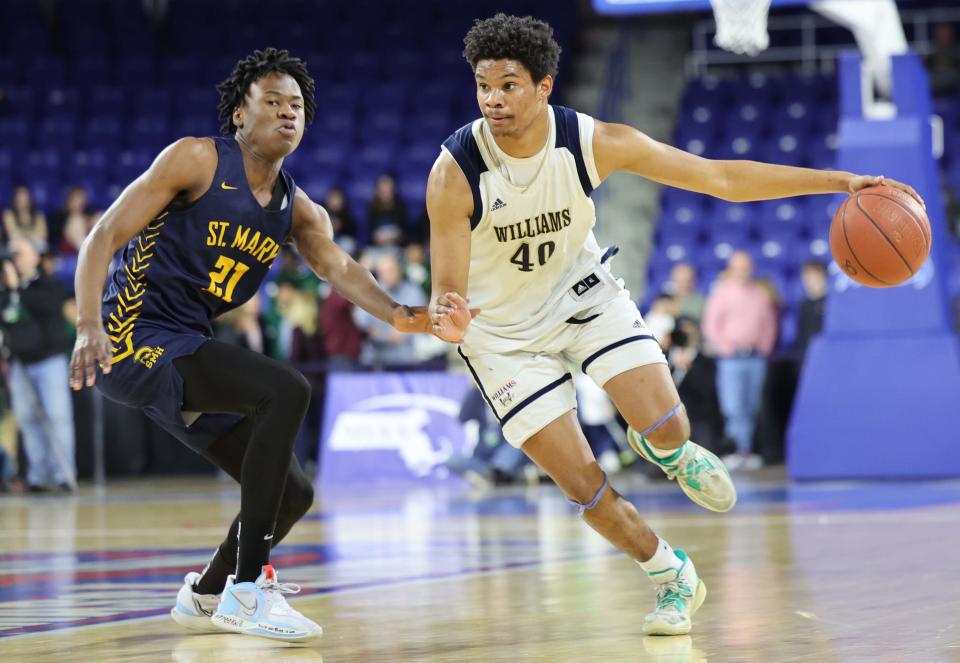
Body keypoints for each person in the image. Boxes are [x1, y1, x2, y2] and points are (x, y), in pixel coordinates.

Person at [425, 14, 922, 636]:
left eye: (508, 85)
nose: (493, 99)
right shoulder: (454, 171)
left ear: (545, 87)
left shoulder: (591, 141)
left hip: (580, 297)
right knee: (582, 484)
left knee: (669, 425)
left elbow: (719, 177)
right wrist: (448, 313)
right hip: (500, 333)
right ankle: (670, 575)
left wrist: (839, 182)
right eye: (483, 86)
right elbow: (448, 286)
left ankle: (667, 449)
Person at [69, 48, 472, 643]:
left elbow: (338, 267)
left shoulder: (296, 208)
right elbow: (103, 235)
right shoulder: (197, 159)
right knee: (284, 389)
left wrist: (404, 317)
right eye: (274, 102)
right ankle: (249, 587)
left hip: (184, 348)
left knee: (293, 493)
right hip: (131, 339)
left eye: (298, 106)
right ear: (239, 114)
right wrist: (86, 324)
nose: (289, 114)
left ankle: (205, 592)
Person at [0, 237, 75, 492]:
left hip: (49, 360)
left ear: (35, 256)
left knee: (57, 417)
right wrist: (10, 290)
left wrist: (16, 288)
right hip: (21, 364)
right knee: (28, 420)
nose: (16, 259)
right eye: (13, 255)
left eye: (20, 253)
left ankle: (64, 475)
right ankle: (39, 477)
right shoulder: (7, 291)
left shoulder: (48, 284)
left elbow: (46, 307)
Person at [702, 251, 778, 471]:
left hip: (754, 357)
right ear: (731, 268)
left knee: (751, 406)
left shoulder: (759, 294)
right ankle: (734, 449)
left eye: (746, 266)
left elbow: (768, 324)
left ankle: (745, 449)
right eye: (739, 266)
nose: (743, 270)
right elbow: (711, 326)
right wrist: (726, 347)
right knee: (733, 406)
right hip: (732, 358)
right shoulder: (722, 294)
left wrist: (764, 347)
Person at [353, 252, 427, 368]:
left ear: (399, 270)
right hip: (376, 358)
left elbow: (421, 319)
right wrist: (382, 333)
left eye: (391, 270)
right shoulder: (372, 292)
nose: (388, 274)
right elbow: (360, 319)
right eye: (384, 271)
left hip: (405, 358)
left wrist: (402, 332)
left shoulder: (413, 292)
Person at [796, 260, 828, 356]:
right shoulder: (803, 305)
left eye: (813, 277)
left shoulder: (831, 304)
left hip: (825, 353)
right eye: (806, 278)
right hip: (805, 354)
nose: (809, 282)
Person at [367, 174, 407, 246]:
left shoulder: (401, 208)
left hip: (396, 246)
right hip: (377, 246)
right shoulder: (371, 208)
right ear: (378, 192)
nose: (386, 194)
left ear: (393, 191)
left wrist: (395, 238)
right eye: (383, 191)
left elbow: (404, 233)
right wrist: (376, 238)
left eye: (388, 191)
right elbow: (370, 232)